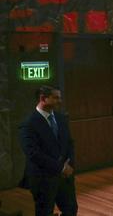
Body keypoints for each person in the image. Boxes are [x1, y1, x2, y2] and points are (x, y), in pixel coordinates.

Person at [18, 85, 78, 216]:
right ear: (43, 98)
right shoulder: (28, 124)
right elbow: (33, 153)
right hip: (43, 179)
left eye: (60, 97)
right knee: (44, 213)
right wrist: (60, 168)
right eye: (56, 98)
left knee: (71, 210)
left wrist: (70, 165)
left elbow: (69, 143)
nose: (60, 101)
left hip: (65, 178)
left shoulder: (61, 118)